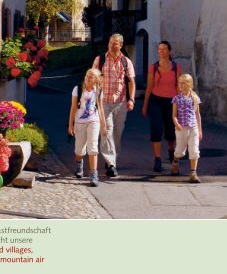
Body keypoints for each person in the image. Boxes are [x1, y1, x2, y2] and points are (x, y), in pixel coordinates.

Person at [93, 33, 135, 177]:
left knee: (117, 133)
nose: (111, 45)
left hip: (121, 102)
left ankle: (111, 157)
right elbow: (93, 79)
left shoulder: (126, 62)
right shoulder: (100, 60)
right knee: (107, 130)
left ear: (120, 45)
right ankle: (111, 163)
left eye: (115, 43)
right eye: (110, 42)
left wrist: (131, 99)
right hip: (104, 102)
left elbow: (131, 82)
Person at [142, 40, 181, 172]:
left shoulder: (176, 67)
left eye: (164, 49)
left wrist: (180, 105)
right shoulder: (153, 67)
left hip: (172, 102)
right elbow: (149, 87)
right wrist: (145, 105)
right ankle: (157, 159)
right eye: (159, 49)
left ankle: (171, 152)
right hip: (156, 101)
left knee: (171, 131)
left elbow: (178, 87)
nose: (161, 51)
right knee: (156, 130)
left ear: (169, 51)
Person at [68, 68, 107, 187]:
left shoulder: (99, 91)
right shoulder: (78, 89)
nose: (88, 78)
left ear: (96, 79)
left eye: (91, 76)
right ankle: (79, 163)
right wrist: (70, 124)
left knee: (93, 147)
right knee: (79, 150)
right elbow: (73, 107)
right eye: (87, 75)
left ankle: (93, 174)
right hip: (80, 122)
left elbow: (100, 108)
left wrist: (104, 125)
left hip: (93, 121)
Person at [171, 73, 202, 183]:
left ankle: (193, 173)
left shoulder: (195, 98)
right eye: (179, 83)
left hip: (193, 127)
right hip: (181, 128)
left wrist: (199, 130)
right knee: (180, 150)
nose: (181, 85)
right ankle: (175, 162)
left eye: (183, 83)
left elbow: (197, 114)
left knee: (194, 150)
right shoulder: (176, 99)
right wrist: (176, 123)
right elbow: (174, 114)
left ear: (189, 84)